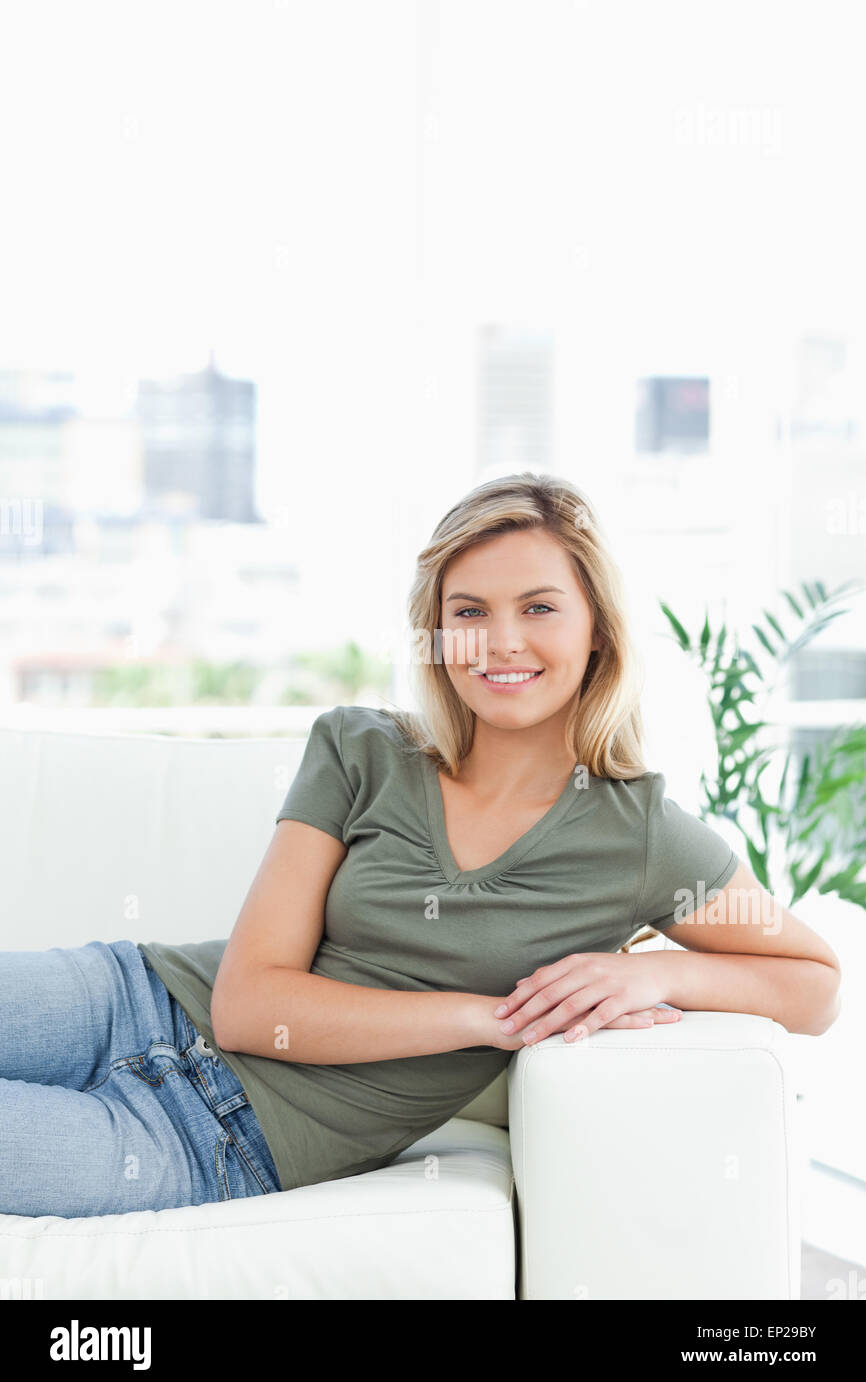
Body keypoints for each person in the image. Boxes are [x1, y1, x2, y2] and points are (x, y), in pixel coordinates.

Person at [0, 472, 842, 1217]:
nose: (501, 641)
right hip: (131, 996)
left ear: (597, 631)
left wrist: (652, 969)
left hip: (213, 1142)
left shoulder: (645, 836)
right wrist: (491, 1019)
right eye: (468, 611)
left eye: (539, 608)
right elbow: (251, 1008)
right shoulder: (360, 750)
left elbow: (816, 984)